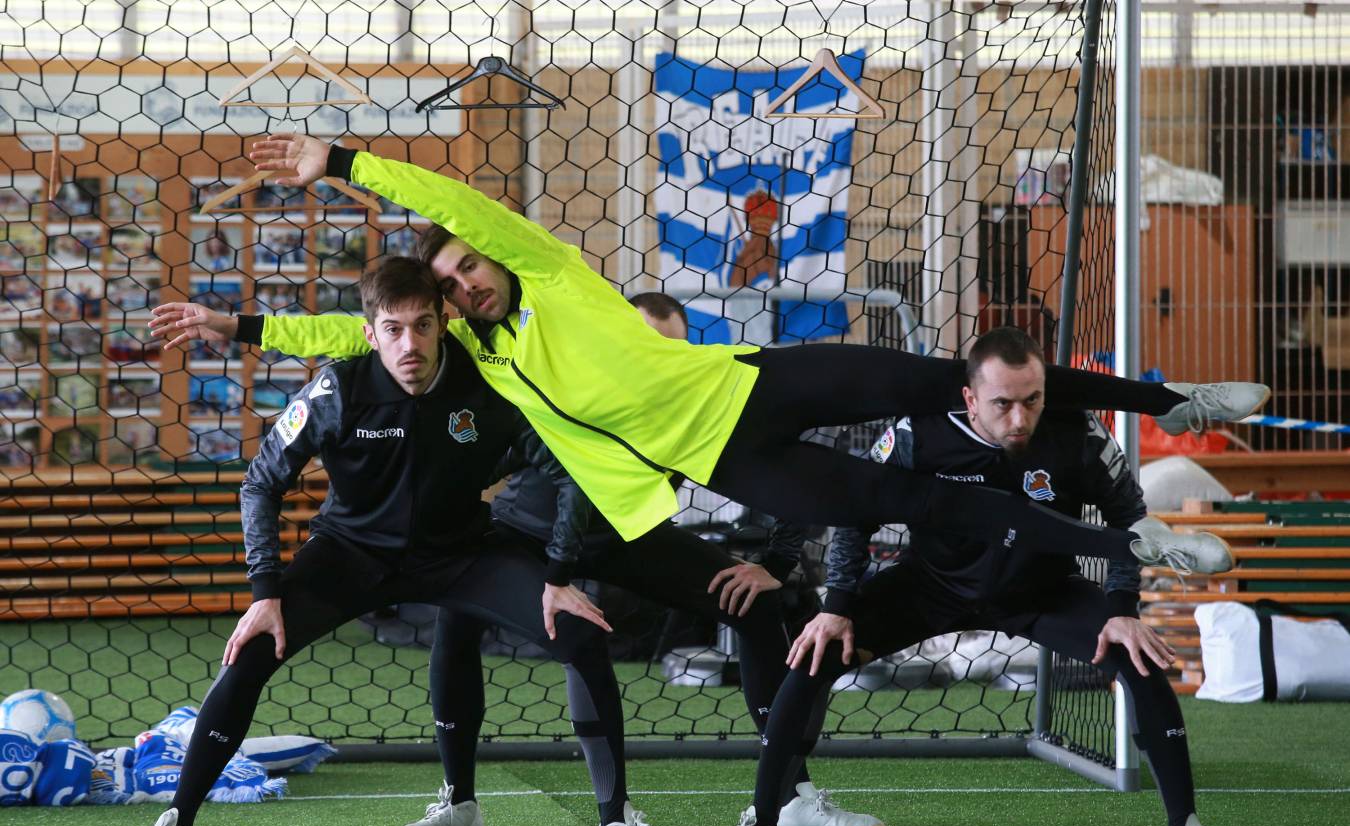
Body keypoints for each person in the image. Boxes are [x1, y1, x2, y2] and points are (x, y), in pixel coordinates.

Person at [187, 135, 1259, 574]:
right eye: (451, 283)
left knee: (958, 378)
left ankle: (1185, 396)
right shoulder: (484, 354)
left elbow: (460, 202)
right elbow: (354, 338)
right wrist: (240, 328)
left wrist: (348, 162)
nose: (467, 283)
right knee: (914, 502)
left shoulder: (550, 273)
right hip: (728, 464)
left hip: (753, 383)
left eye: (472, 268)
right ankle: (1137, 546)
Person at [152, 290, 885, 826]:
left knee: (754, 606)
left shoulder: (695, 400)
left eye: (668, 349)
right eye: (639, 344)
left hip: (622, 535)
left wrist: (779, 561)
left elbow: (786, 470)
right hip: (528, 532)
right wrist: (245, 329)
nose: (653, 359)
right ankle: (458, 799)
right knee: (462, 617)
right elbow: (380, 339)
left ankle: (790, 796)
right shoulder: (549, 385)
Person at [125, 258, 668, 826]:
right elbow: (260, 484)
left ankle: (612, 821)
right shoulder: (337, 391)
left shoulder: (488, 384)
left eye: (423, 326)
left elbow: (567, 467)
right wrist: (264, 591)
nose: (410, 344)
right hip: (350, 555)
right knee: (251, 652)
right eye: (393, 329)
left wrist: (558, 576)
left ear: (443, 325)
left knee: (579, 634)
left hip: (460, 554)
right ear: (369, 333)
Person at [706, 327, 1222, 826]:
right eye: (1002, 404)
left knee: (1140, 664)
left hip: (1041, 593)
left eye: (1032, 400)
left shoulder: (1080, 433)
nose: (1019, 419)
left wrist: (1122, 608)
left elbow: (1129, 519)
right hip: (931, 589)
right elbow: (854, 514)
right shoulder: (917, 434)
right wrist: (836, 605)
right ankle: (762, 825)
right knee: (812, 656)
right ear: (970, 397)